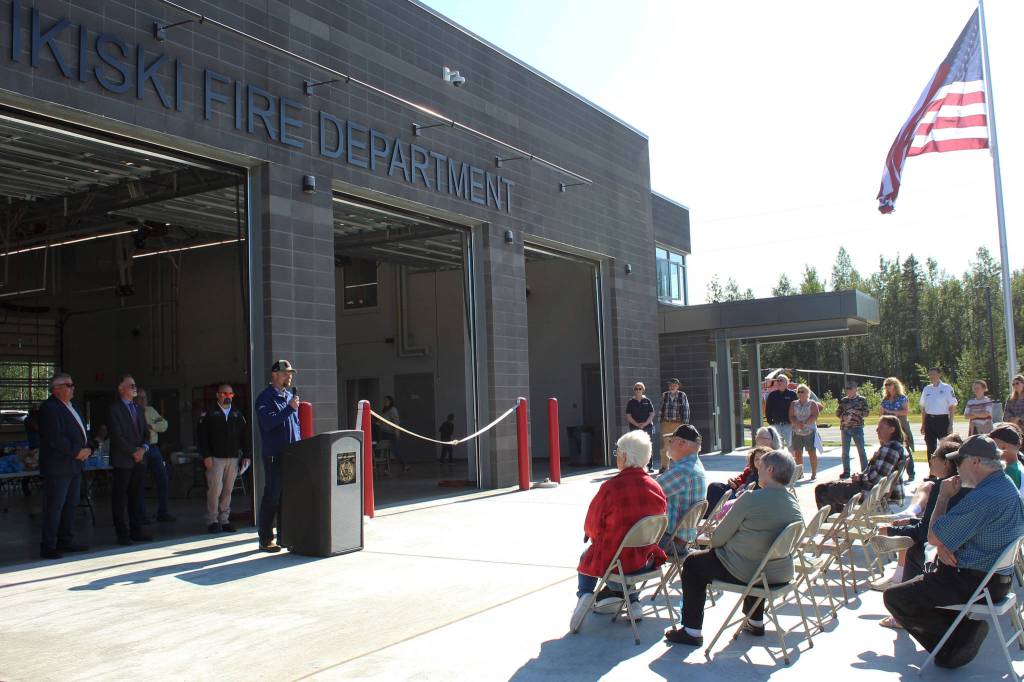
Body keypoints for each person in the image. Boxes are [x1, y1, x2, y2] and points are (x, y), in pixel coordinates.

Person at [883, 434, 1024, 669]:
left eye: (959, 461)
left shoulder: (983, 496)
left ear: (975, 462)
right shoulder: (1004, 484)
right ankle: (961, 632)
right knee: (920, 568)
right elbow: (969, 533)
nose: (955, 467)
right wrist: (945, 545)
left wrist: (942, 496)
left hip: (975, 581)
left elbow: (932, 537)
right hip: (997, 578)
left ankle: (956, 645)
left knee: (895, 597)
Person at [665, 449, 802, 646]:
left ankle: (691, 631)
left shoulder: (751, 498)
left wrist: (725, 543)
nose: (757, 469)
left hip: (749, 570)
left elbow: (717, 539)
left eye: (760, 466)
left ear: (770, 470)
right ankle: (755, 620)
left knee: (693, 563)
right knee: (759, 556)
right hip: (780, 572)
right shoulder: (793, 501)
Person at [570, 430, 668, 629]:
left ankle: (585, 594)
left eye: (617, 453)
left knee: (589, 555)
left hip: (616, 563)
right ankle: (633, 602)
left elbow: (591, 527)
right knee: (632, 550)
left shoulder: (611, 487)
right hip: (647, 561)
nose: (616, 457)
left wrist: (595, 536)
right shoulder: (656, 487)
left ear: (624, 456)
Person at [873, 436, 963, 609]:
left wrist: (890, 531)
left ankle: (905, 607)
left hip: (947, 559)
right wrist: (909, 522)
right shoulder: (962, 484)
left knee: (912, 550)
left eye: (934, 456)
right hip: (956, 551)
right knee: (910, 537)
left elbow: (926, 532)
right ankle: (899, 579)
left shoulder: (942, 487)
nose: (930, 460)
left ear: (946, 462)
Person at [37, 373, 91, 559]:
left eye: (72, 384)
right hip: (58, 467)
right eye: (68, 385)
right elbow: (55, 438)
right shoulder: (50, 408)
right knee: (55, 507)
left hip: (74, 465)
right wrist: (77, 451)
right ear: (56, 389)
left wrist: (89, 448)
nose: (72, 387)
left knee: (70, 505)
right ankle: (48, 545)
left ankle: (65, 540)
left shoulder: (72, 407)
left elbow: (83, 431)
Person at [814, 415, 908, 513]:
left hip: (873, 494)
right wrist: (861, 476)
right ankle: (839, 518)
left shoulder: (891, 448)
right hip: (879, 492)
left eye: (881, 427)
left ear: (892, 429)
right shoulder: (897, 447)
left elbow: (877, 478)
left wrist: (860, 478)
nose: (877, 430)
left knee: (822, 490)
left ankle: (832, 520)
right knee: (833, 487)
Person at [255, 360, 301, 553]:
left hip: (291, 455)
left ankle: (285, 537)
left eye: (290, 373)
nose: (289, 376)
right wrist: (289, 408)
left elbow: (295, 425)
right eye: (285, 373)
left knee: (286, 498)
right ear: (274, 375)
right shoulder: (265, 398)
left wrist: (300, 446)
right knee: (272, 497)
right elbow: (268, 423)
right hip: (274, 455)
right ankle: (265, 539)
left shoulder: (289, 396)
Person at [198, 383, 252, 533]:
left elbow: (244, 437)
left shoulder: (237, 414)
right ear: (217, 395)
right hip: (215, 458)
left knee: (228, 490)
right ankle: (212, 520)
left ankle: (224, 519)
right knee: (215, 490)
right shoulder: (209, 413)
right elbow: (202, 437)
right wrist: (206, 455)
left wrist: (247, 455)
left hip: (233, 458)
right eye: (224, 393)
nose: (227, 396)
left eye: (230, 394)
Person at [108, 374, 152, 545]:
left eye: (135, 385)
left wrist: (143, 449)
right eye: (131, 386)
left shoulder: (139, 409)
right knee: (120, 498)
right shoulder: (114, 410)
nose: (135, 388)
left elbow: (146, 434)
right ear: (121, 388)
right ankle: (122, 533)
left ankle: (136, 530)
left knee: (136, 496)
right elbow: (117, 436)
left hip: (139, 461)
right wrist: (134, 451)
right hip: (123, 461)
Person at [656, 425, 706, 547]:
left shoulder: (683, 470)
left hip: (671, 540)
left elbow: (648, 491)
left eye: (670, 441)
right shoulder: (695, 466)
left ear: (681, 443)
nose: (668, 445)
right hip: (683, 538)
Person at [136, 388, 174, 523]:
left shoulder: (150, 410)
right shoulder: (133, 412)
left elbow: (164, 424)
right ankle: (141, 515)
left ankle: (163, 512)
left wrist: (151, 426)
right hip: (140, 449)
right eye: (140, 397)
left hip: (154, 449)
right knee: (140, 483)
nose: (143, 400)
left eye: (145, 397)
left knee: (163, 479)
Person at [705, 446, 770, 515]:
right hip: (736, 492)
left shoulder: (767, 474)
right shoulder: (750, 471)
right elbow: (739, 479)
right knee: (715, 486)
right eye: (756, 459)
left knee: (716, 490)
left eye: (762, 459)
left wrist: (743, 489)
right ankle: (710, 514)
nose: (759, 461)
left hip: (742, 499)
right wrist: (733, 482)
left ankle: (713, 515)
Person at [881, 377, 916, 479]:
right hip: (888, 428)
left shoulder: (902, 398)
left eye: (889, 384)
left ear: (895, 385)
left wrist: (892, 412)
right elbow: (881, 414)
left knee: (906, 449)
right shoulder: (885, 400)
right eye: (886, 385)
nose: (887, 387)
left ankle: (911, 473)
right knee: (890, 450)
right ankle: (892, 474)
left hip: (901, 427)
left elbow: (905, 411)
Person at [920, 367, 957, 456]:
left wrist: (950, 425)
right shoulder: (927, 389)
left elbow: (952, 407)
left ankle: (946, 464)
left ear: (939, 374)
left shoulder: (947, 388)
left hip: (942, 420)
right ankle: (931, 464)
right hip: (929, 420)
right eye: (930, 375)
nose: (931, 376)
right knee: (930, 446)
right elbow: (924, 408)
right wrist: (923, 424)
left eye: (933, 374)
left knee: (945, 446)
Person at [837, 381, 870, 479]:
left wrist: (855, 412)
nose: (848, 390)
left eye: (850, 388)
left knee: (861, 450)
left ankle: (865, 471)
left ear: (856, 389)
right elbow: (838, 413)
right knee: (845, 452)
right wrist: (844, 417)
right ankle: (846, 471)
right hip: (845, 428)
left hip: (857, 428)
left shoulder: (862, 400)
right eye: (847, 389)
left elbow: (866, 413)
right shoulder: (843, 400)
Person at [657, 379, 690, 473]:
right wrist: (660, 421)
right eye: (670, 385)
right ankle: (664, 467)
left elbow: (686, 409)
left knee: (678, 446)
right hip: (666, 423)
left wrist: (685, 424)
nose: (672, 387)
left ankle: (679, 467)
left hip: (678, 424)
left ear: (678, 386)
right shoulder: (665, 395)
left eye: (674, 385)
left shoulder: (682, 395)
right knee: (665, 447)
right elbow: (660, 408)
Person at [789, 384, 819, 480]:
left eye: (802, 391)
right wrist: (796, 423)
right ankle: (800, 474)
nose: (800, 393)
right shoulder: (794, 403)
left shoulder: (812, 403)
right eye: (799, 391)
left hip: (809, 431)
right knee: (798, 453)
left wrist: (805, 423)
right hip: (797, 432)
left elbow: (815, 415)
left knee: (811, 452)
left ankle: (814, 473)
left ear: (807, 393)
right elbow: (791, 416)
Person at [625, 382, 656, 472]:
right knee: (636, 446)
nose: (638, 390)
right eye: (636, 389)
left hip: (647, 427)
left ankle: (649, 466)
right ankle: (637, 467)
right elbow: (628, 416)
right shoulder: (630, 402)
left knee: (647, 446)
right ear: (634, 390)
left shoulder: (647, 401)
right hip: (635, 428)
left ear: (643, 390)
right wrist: (637, 424)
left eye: (640, 388)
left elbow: (652, 414)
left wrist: (645, 424)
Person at [989, 423, 1024, 494]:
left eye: (993, 444)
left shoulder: (1008, 471)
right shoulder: (1017, 464)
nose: (990, 448)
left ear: (1003, 447)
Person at [764, 375, 797, 449]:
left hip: (789, 425)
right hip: (776, 425)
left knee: (791, 447)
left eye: (781, 380)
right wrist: (770, 422)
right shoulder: (772, 395)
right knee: (777, 447)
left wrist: (794, 422)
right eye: (777, 380)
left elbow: (796, 409)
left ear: (787, 382)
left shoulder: (792, 394)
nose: (779, 382)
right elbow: (768, 409)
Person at [379, 396, 408, 472]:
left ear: (390, 401)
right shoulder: (384, 410)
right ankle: (386, 469)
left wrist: (397, 432)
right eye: (384, 401)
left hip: (391, 433)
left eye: (387, 401)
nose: (385, 402)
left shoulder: (393, 409)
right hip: (384, 433)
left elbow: (396, 421)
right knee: (384, 450)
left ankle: (404, 465)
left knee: (395, 450)